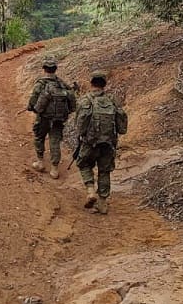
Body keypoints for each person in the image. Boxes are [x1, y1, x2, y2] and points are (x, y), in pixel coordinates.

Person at [73, 70, 127, 215]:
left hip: (89, 143)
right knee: (104, 171)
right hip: (108, 144)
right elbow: (122, 127)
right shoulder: (113, 100)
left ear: (91, 83)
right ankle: (102, 203)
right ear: (104, 84)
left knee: (83, 164)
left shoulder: (85, 100)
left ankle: (90, 190)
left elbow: (79, 126)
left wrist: (83, 136)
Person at [27, 57, 75, 178]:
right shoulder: (61, 83)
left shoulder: (41, 83)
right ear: (55, 69)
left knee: (39, 137)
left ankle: (40, 162)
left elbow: (33, 99)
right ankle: (54, 169)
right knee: (55, 142)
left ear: (44, 69)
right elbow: (70, 96)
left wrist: (31, 107)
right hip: (58, 119)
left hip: (43, 117)